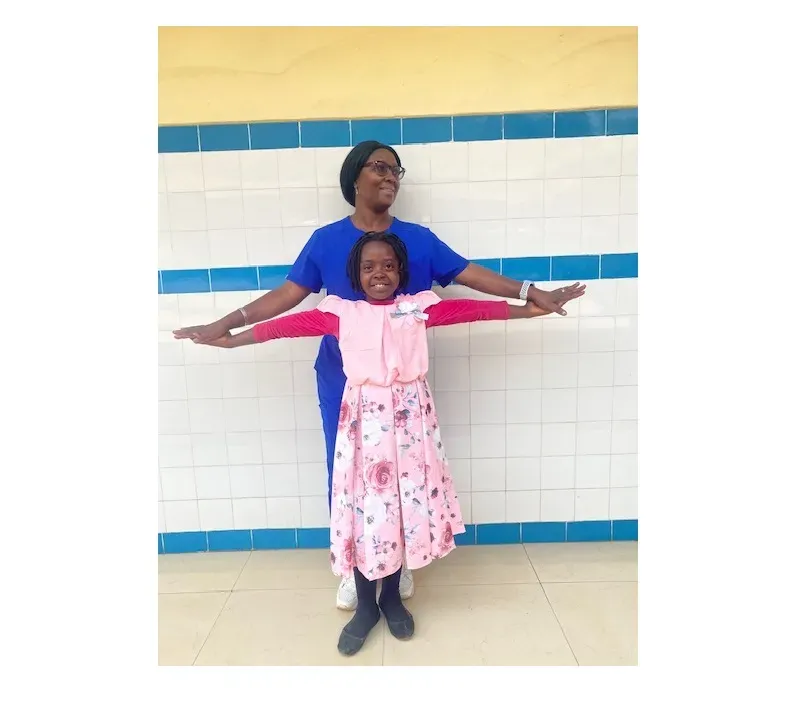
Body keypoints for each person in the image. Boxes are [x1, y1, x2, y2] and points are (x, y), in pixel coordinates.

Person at [173, 139, 586, 610]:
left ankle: (398, 559)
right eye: (380, 168)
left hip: (403, 391)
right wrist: (224, 326)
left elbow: (471, 281)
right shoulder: (326, 241)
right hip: (344, 381)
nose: (391, 176)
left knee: (403, 472)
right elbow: (286, 302)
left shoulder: (419, 239)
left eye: (397, 170)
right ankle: (356, 566)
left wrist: (532, 294)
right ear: (354, 177)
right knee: (348, 472)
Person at [202, 231, 579, 655]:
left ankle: (392, 598)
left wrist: (532, 309)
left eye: (388, 265)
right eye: (368, 267)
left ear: (400, 272)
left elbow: (475, 310)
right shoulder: (340, 313)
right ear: (355, 275)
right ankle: (366, 605)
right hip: (362, 422)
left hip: (410, 420)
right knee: (365, 507)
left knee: (402, 502)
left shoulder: (416, 309)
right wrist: (228, 337)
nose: (379, 273)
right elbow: (281, 327)